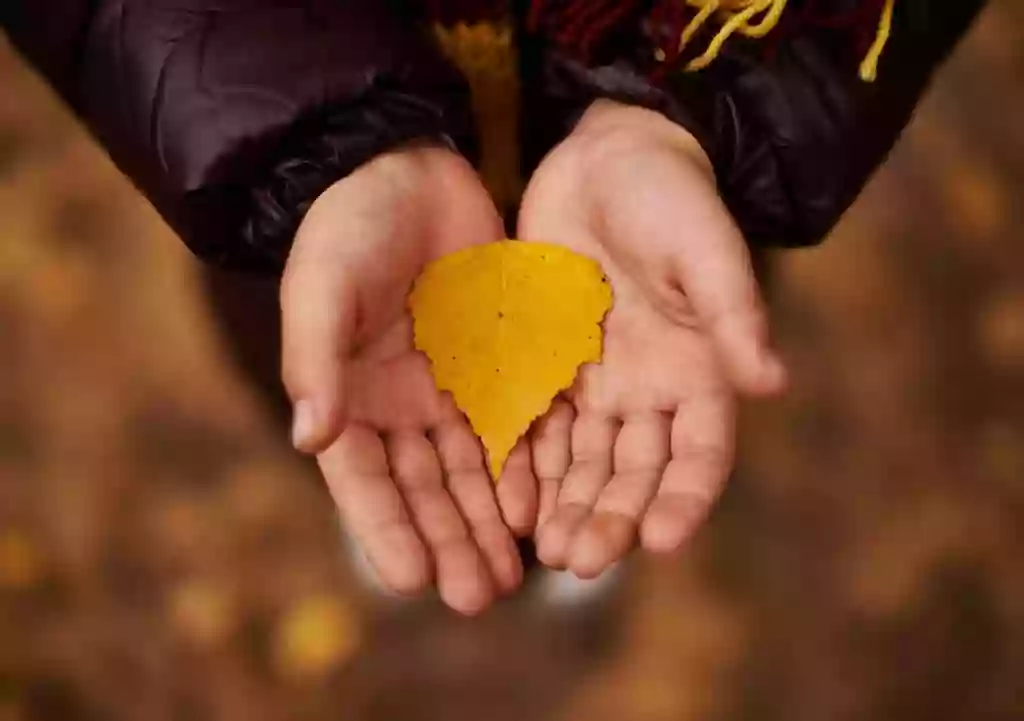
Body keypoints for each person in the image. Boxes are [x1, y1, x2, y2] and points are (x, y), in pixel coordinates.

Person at [1, 0, 986, 615]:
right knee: (320, 341)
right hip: (304, 166)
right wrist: (309, 137)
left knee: (678, 301)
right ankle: (449, 488)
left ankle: (567, 519)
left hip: (673, 157)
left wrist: (697, 107)